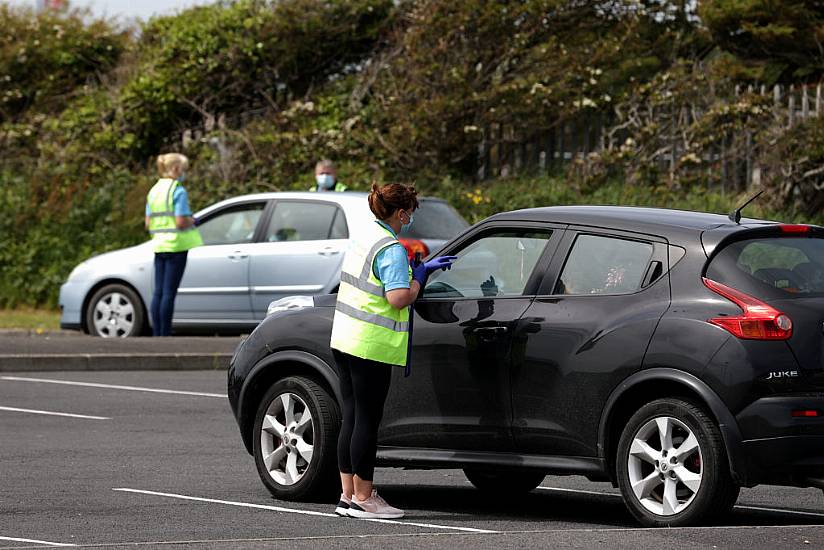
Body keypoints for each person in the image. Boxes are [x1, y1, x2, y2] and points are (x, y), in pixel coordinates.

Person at [329, 183, 456, 519]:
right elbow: (398, 297)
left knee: (351, 416)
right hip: (371, 344)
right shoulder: (392, 249)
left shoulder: (365, 236)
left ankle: (348, 495)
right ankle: (365, 498)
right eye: (411, 211)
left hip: (344, 337)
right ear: (401, 213)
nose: (411, 217)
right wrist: (421, 277)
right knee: (367, 420)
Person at [145, 153, 203, 336]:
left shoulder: (154, 191)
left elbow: (147, 223)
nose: (184, 173)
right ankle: (165, 334)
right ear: (177, 169)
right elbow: (180, 221)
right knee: (169, 293)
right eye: (184, 169)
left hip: (159, 245)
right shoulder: (178, 190)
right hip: (176, 246)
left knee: (158, 292)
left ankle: (157, 333)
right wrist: (191, 220)